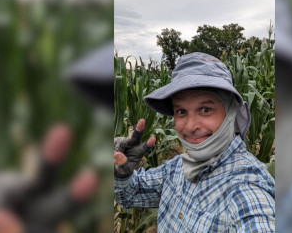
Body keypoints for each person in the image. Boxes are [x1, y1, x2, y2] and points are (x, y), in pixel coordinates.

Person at [114, 52, 275, 232]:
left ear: (231, 111)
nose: (190, 126)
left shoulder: (245, 186)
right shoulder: (177, 168)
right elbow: (131, 194)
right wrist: (123, 174)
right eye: (181, 111)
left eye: (205, 109)